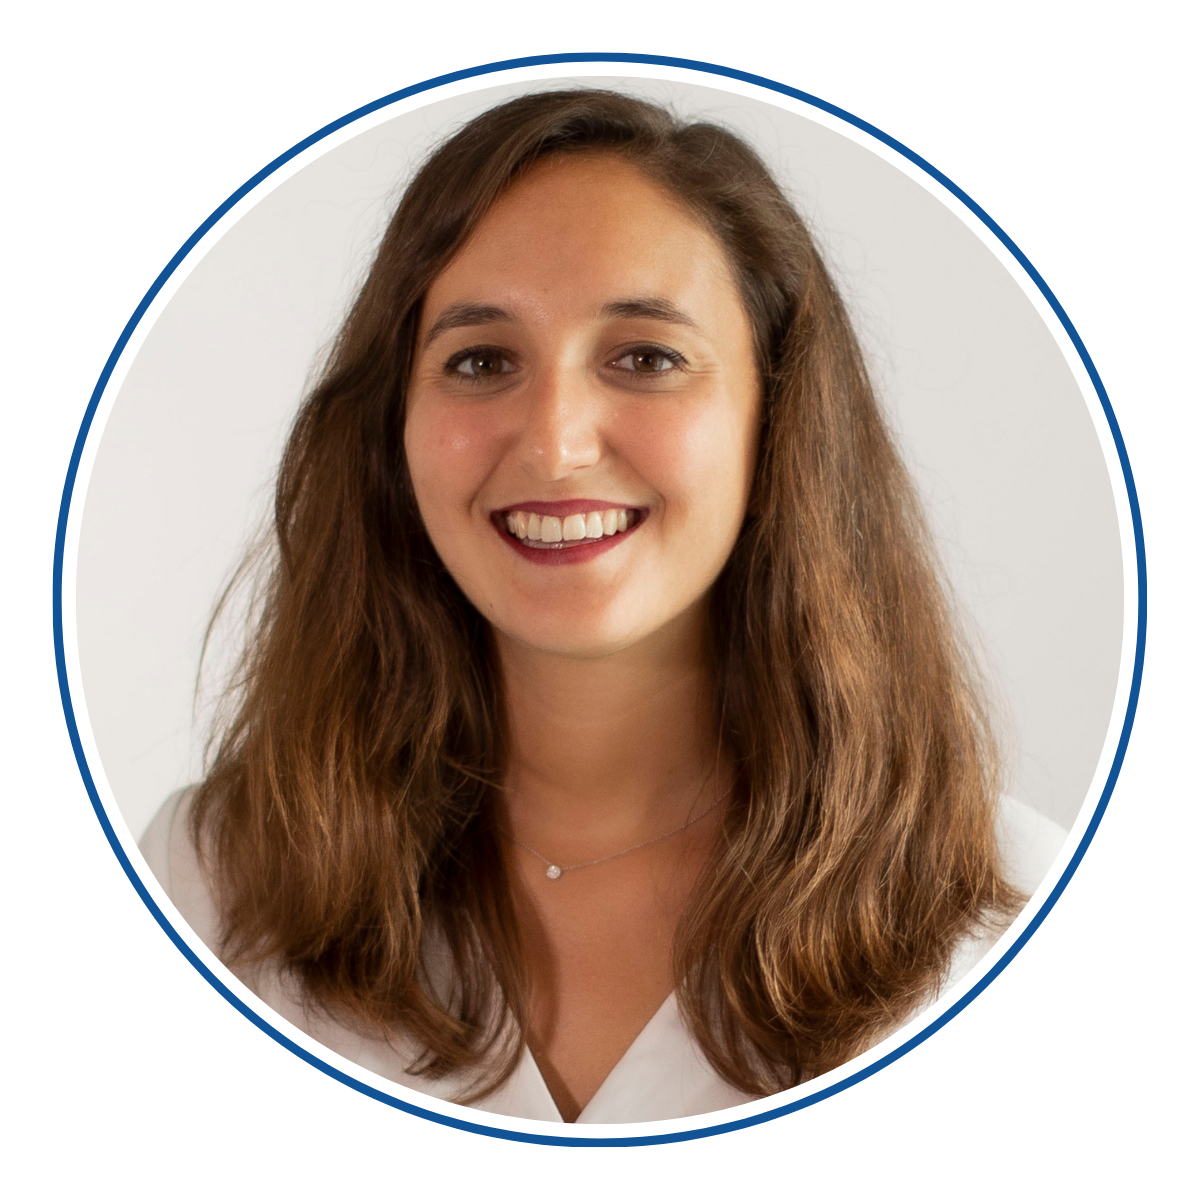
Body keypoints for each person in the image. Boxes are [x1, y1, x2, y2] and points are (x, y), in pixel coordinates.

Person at [140, 88, 1066, 1124]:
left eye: (646, 358)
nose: (556, 443)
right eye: (480, 360)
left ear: (779, 415)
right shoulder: (205, 887)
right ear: (392, 428)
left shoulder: (1014, 921)